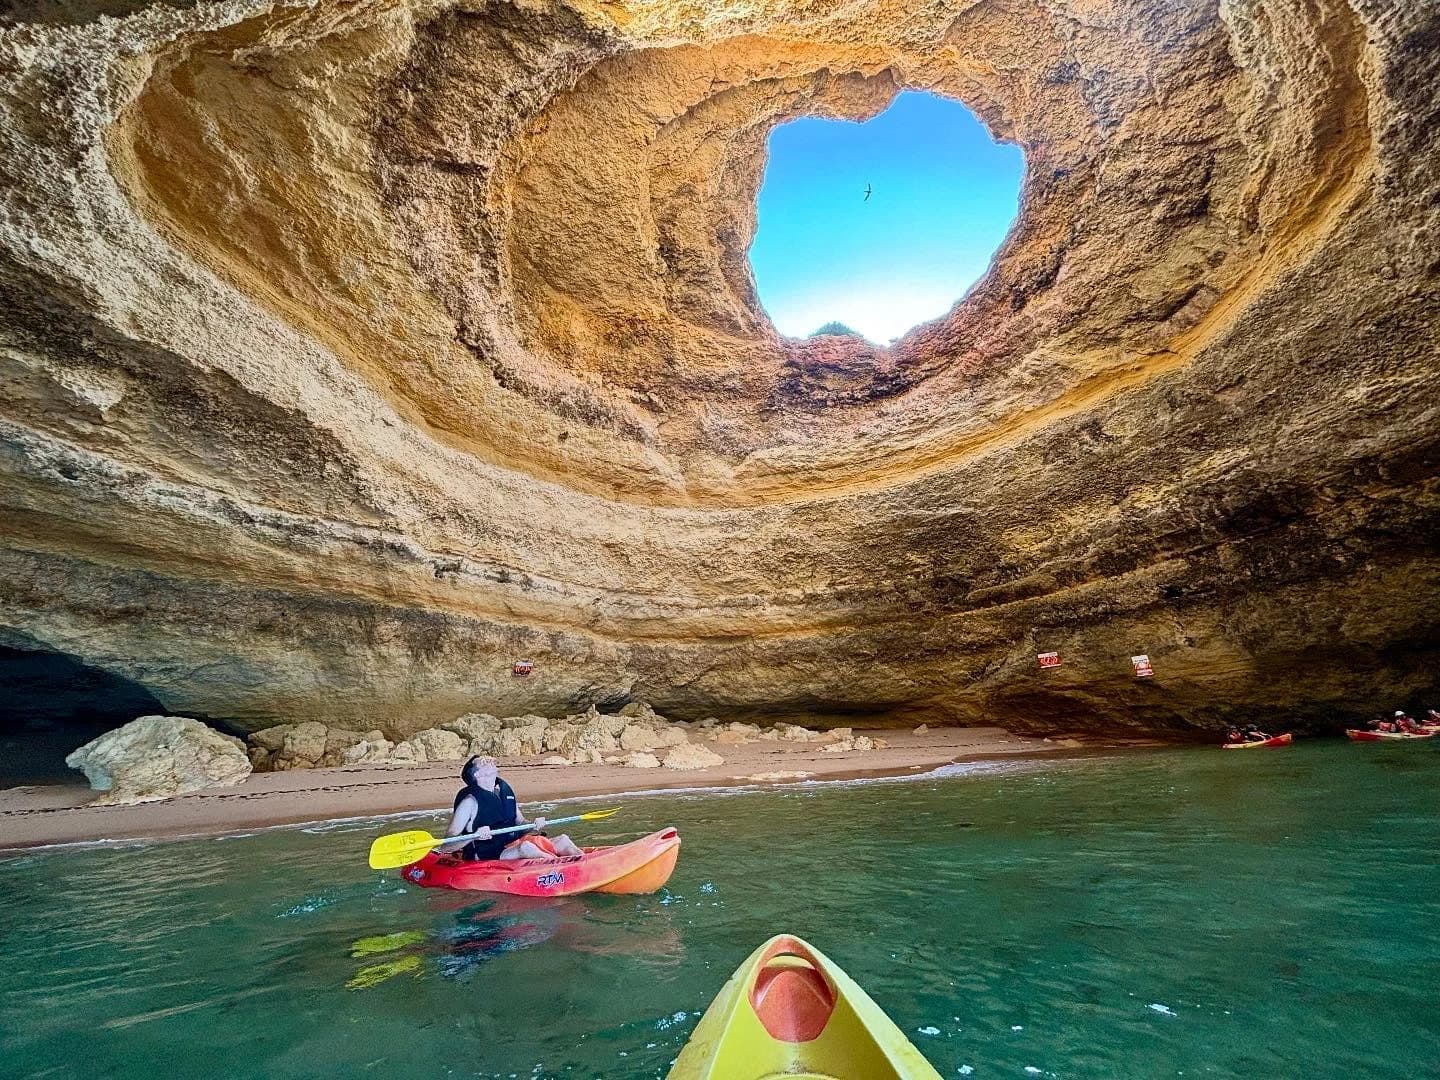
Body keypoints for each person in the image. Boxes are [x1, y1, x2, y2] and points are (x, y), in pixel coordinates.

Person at [440, 756, 583, 862]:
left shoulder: (503, 792)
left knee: (563, 840)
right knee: (525, 847)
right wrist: (475, 835)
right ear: (476, 774)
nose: (489, 759)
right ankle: (561, 866)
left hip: (511, 845)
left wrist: (533, 824)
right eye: (483, 762)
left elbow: (519, 822)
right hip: (486, 854)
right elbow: (447, 845)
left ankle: (584, 862)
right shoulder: (469, 802)